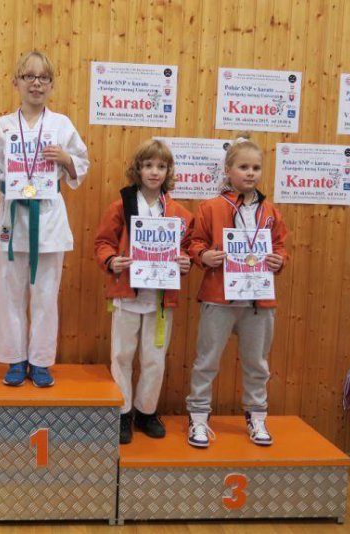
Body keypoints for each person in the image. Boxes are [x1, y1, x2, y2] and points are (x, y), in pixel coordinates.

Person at [0, 50, 89, 387]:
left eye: (43, 77)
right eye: (29, 76)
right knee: (10, 294)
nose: (36, 83)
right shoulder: (4, 126)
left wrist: (66, 158)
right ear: (16, 82)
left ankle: (41, 361)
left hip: (48, 218)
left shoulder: (61, 124)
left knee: (46, 295)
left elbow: (82, 166)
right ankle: (16, 359)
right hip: (13, 217)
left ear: (51, 84)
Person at [185, 134, 288, 447]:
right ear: (228, 170)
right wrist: (203, 256)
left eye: (256, 167)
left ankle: (257, 417)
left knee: (257, 364)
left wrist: (279, 260)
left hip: (259, 301)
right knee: (207, 361)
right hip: (219, 298)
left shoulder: (270, 211)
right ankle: (198, 418)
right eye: (243, 167)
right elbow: (194, 242)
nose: (250, 173)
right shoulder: (211, 207)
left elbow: (280, 246)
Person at [94, 139, 192, 444]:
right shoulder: (121, 206)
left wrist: (185, 260)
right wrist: (112, 261)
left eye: (161, 166)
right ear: (137, 169)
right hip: (126, 294)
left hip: (160, 299)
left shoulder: (179, 213)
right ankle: (123, 412)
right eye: (148, 165)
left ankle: (147, 411)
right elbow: (103, 243)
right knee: (121, 355)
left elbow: (188, 249)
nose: (154, 171)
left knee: (154, 358)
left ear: (168, 171)